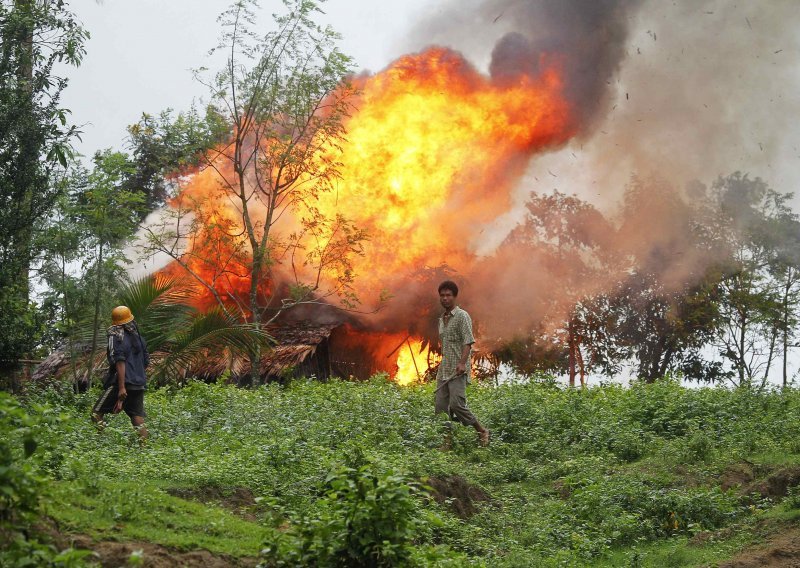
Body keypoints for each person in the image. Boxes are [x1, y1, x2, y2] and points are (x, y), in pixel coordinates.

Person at [434, 280, 489, 448]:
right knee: (440, 408)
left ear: (455, 297)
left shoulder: (462, 316)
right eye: (442, 295)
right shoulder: (441, 320)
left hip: (457, 370)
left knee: (457, 404)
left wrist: (462, 363)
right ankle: (447, 442)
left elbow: (468, 342)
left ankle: (481, 430)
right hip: (444, 370)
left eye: (448, 295)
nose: (445, 298)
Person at [91, 305, 149, 444]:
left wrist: (122, 387)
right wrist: (136, 377)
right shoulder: (140, 339)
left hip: (121, 382)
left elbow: (119, 362)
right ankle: (144, 448)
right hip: (138, 383)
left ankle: (102, 443)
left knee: (96, 413)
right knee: (136, 416)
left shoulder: (116, 338)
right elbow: (146, 362)